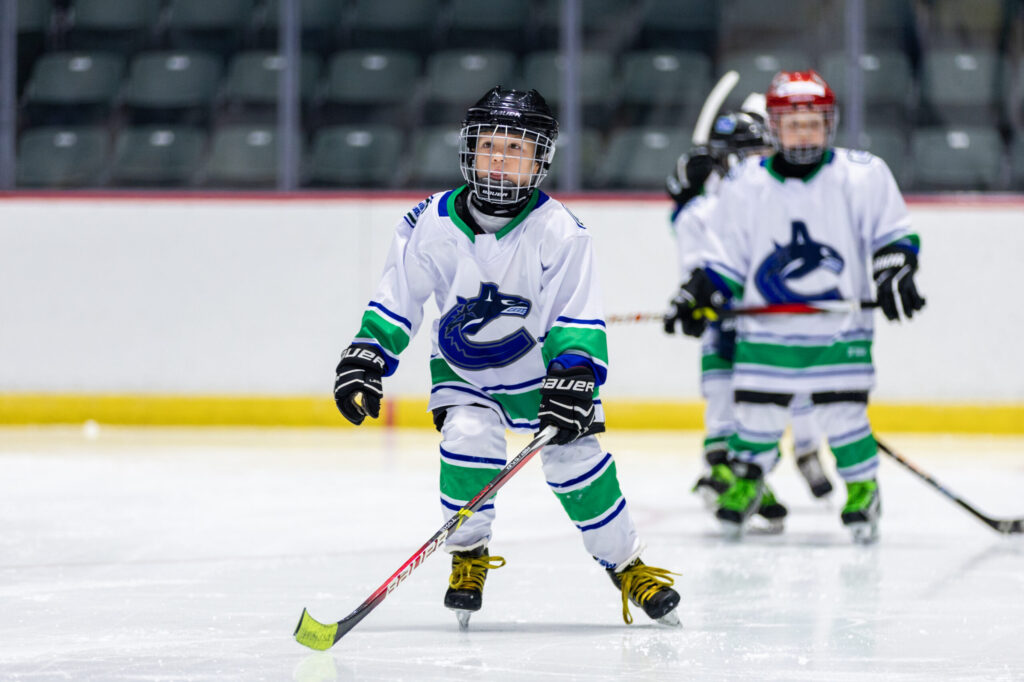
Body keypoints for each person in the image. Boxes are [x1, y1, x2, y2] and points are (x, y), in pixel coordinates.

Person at [331, 86, 681, 628]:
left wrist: (574, 376)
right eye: (490, 145)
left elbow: (574, 313)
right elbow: (398, 294)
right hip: (465, 372)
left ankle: (626, 564)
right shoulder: (430, 221)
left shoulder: (560, 230)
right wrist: (367, 354)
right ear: (469, 150)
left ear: (540, 159)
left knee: (577, 463)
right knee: (467, 440)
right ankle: (468, 556)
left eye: (515, 149)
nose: (499, 159)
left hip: (544, 376)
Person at [669, 70, 925, 544]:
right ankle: (747, 481)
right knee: (757, 414)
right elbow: (727, 255)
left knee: (843, 414)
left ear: (829, 125)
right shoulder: (746, 182)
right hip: (766, 332)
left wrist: (895, 267)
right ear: (775, 127)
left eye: (813, 123)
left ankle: (864, 487)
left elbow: (893, 231)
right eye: (794, 124)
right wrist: (701, 292)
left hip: (838, 328)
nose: (804, 133)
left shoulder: (862, 174)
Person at [663, 103, 835, 532]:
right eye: (749, 153)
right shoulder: (708, 208)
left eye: (763, 151)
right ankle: (722, 474)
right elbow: (697, 255)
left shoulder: (770, 199)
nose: (759, 161)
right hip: (725, 324)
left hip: (767, 325)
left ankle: (761, 469)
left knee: (770, 407)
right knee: (725, 404)